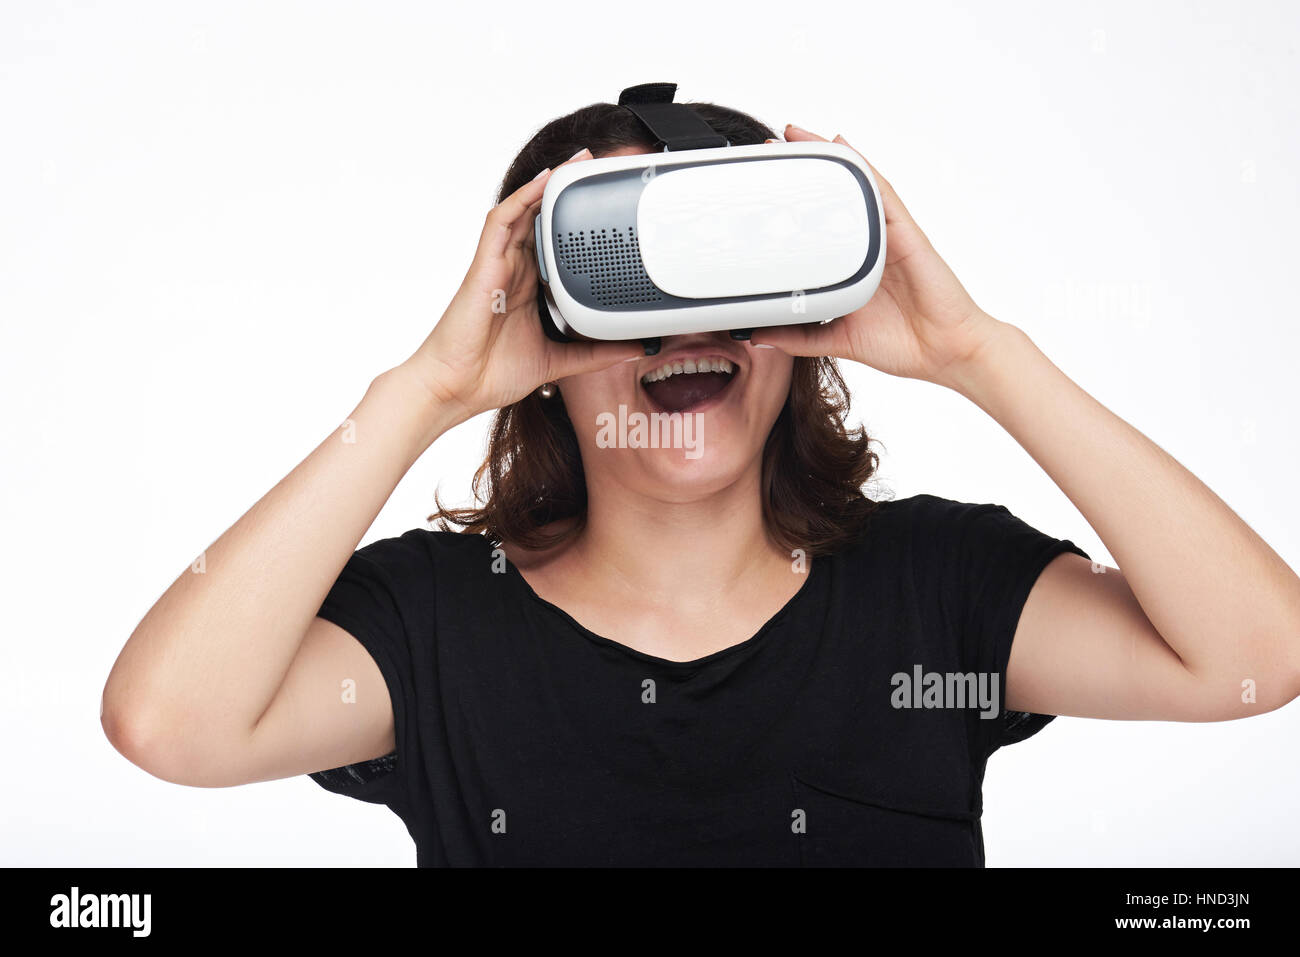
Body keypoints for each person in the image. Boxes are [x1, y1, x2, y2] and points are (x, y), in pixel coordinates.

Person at [101, 97, 1300, 866]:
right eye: (621, 271)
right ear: (540, 338)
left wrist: (979, 354)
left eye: (720, 274)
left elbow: (1254, 655)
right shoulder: (435, 627)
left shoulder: (934, 592)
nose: (679, 331)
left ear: (795, 319)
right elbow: (169, 725)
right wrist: (424, 389)